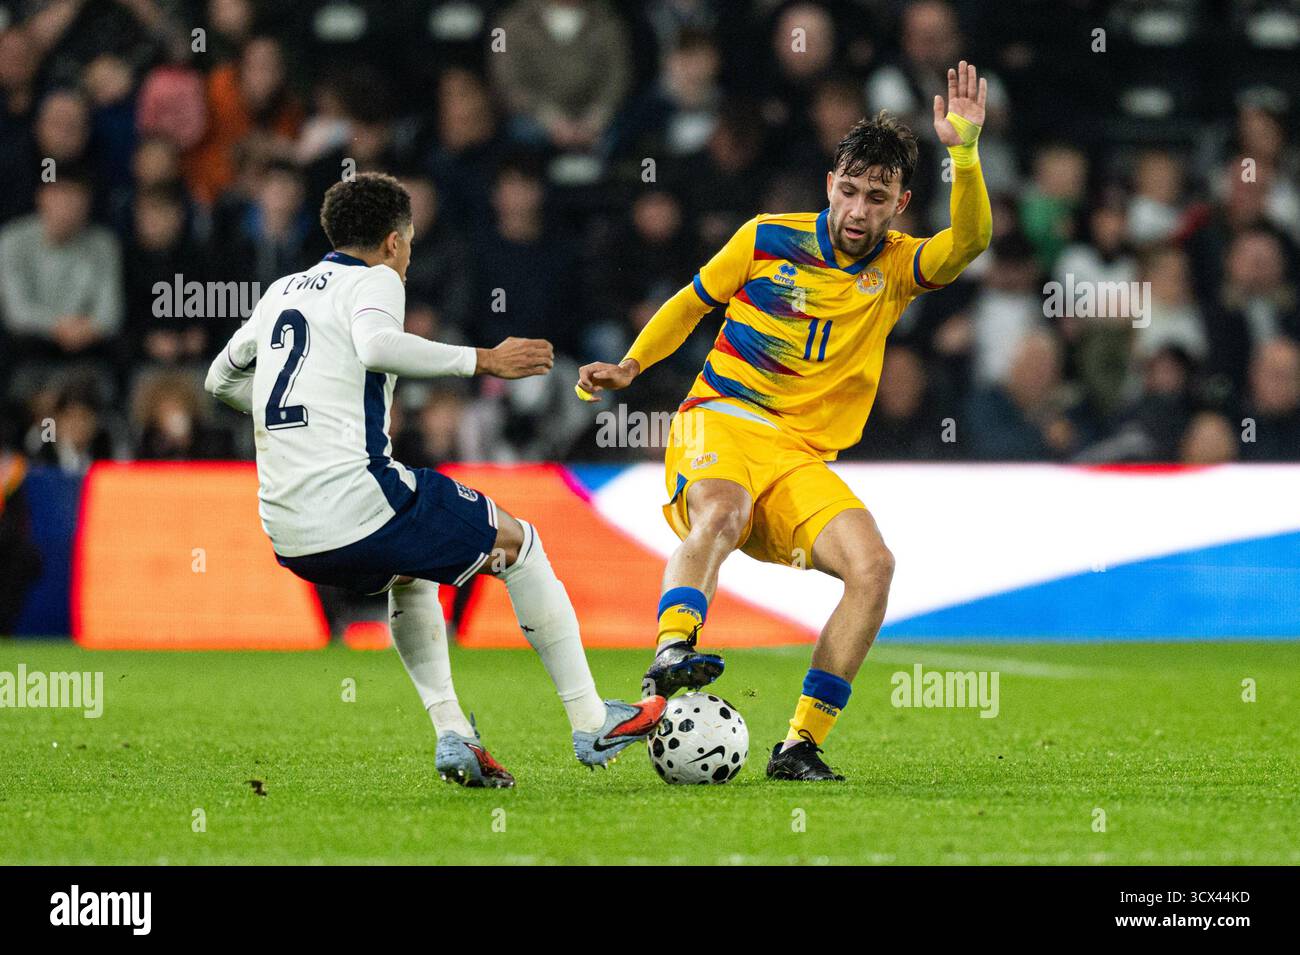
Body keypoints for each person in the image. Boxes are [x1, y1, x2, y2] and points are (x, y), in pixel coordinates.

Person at [577, 62, 992, 781]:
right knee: (724, 511)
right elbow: (690, 302)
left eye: (878, 197)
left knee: (874, 566)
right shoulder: (766, 236)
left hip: (801, 457)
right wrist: (632, 367)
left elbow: (970, 243)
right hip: (722, 419)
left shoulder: (895, 267)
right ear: (832, 183)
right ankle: (673, 647)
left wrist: (966, 151)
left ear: (900, 204)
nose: (860, 210)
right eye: (852, 190)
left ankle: (800, 742)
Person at [205, 172, 664, 788]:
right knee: (520, 545)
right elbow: (375, 346)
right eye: (411, 242)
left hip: (288, 531)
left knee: (413, 574)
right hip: (356, 499)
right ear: (395, 242)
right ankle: (591, 719)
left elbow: (219, 382)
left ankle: (455, 736)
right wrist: (481, 359)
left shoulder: (284, 290)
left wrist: (297, 419)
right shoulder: (376, 279)